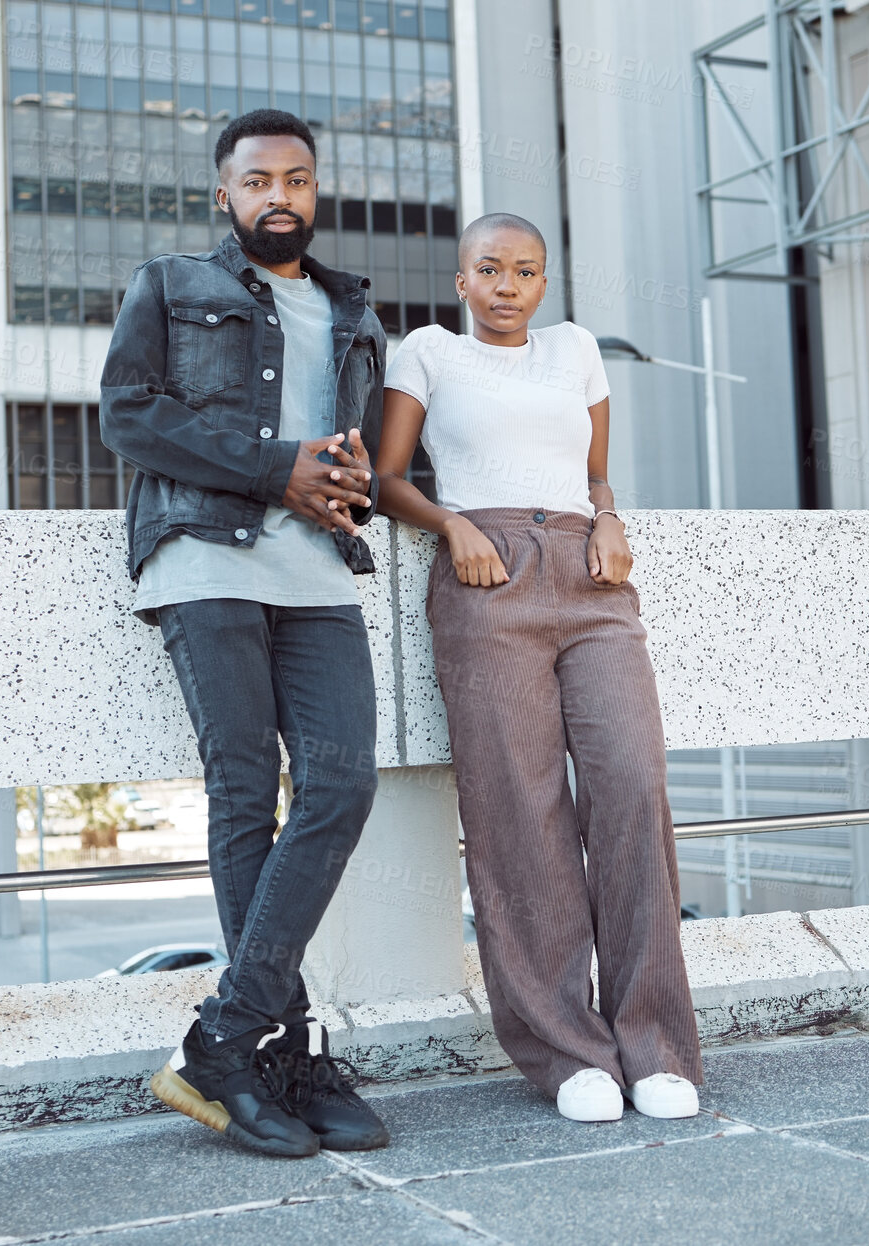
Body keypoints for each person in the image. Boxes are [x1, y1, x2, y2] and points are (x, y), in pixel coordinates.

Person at [99, 109, 390, 1158]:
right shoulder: (170, 285)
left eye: (297, 179)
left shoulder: (354, 311)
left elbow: (365, 457)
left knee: (341, 783)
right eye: (257, 179)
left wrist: (356, 489)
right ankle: (286, 1046)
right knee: (243, 794)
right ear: (223, 194)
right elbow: (126, 414)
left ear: (316, 193)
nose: (280, 194)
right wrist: (277, 467)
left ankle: (225, 1039)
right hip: (205, 558)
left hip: (316, 574)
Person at [374, 212, 704, 1123]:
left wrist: (609, 516)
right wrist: (454, 526)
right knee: (519, 811)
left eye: (524, 271)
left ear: (544, 283)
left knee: (633, 783)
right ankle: (569, 1055)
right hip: (488, 579)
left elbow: (595, 471)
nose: (508, 285)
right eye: (490, 269)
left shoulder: (575, 351)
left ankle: (656, 1044)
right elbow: (388, 477)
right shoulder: (428, 353)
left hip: (591, 578)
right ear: (461, 280)